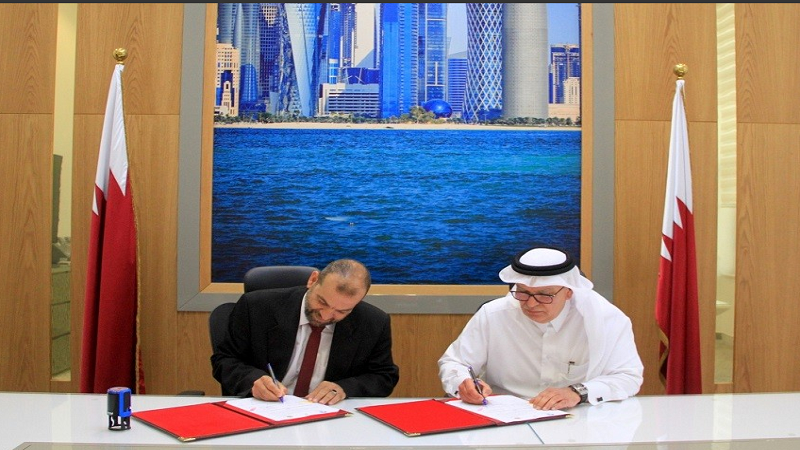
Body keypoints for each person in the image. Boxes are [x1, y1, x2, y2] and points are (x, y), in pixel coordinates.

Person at [438, 245, 644, 410]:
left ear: (569, 292)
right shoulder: (493, 315)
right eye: (523, 292)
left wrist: (577, 392)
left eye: (545, 295)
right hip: (504, 417)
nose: (531, 303)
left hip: (578, 416)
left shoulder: (606, 320)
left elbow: (628, 377)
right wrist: (463, 383)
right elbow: (455, 362)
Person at [211, 258, 399, 405]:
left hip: (329, 416)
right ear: (313, 280)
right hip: (266, 408)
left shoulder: (373, 322)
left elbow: (384, 376)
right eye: (322, 302)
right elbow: (225, 360)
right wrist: (254, 381)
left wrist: (344, 388)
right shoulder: (256, 307)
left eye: (342, 311)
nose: (326, 316)